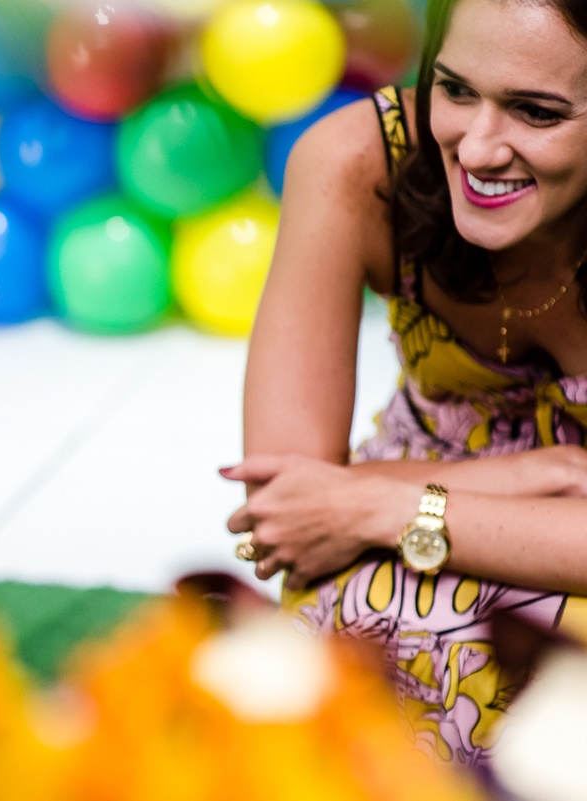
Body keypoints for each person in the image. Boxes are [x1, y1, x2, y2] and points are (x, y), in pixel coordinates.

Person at [221, 0, 587, 765]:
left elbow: (333, 500)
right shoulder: (361, 160)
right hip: (412, 499)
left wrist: (375, 501)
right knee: (341, 635)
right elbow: (287, 502)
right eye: (455, 90)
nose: (479, 148)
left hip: (394, 501)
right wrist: (525, 477)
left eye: (537, 112)